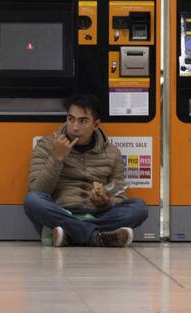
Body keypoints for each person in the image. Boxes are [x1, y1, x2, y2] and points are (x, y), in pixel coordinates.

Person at [24, 93, 148, 247]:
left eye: (83, 121)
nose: (75, 127)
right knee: (32, 201)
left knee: (139, 208)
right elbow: (37, 190)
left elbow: (120, 195)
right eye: (71, 119)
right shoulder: (47, 145)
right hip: (61, 212)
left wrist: (106, 201)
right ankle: (96, 236)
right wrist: (56, 158)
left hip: (96, 214)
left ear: (96, 125)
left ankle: (69, 235)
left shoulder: (112, 152)